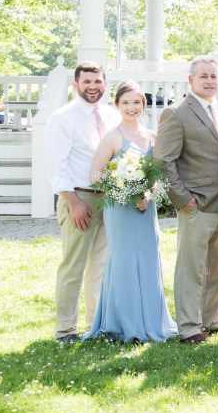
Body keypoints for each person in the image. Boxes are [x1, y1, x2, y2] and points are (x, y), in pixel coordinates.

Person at [83, 81, 176, 342]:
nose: (131, 107)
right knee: (123, 261)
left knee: (148, 260)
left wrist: (147, 194)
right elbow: (96, 175)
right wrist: (124, 189)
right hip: (120, 209)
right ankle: (122, 323)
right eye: (125, 103)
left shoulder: (153, 137)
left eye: (136, 102)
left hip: (145, 211)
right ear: (117, 105)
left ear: (143, 105)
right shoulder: (112, 137)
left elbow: (159, 175)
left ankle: (151, 322)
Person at [155, 56, 218, 344]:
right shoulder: (176, 113)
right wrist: (182, 199)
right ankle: (189, 327)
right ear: (191, 80)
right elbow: (163, 161)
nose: (210, 81)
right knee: (191, 269)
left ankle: (212, 320)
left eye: (214, 76)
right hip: (196, 204)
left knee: (217, 269)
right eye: (204, 76)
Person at [46, 62, 119, 341]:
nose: (92, 86)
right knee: (73, 265)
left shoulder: (112, 115)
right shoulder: (63, 117)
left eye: (97, 81)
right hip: (79, 197)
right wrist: (73, 202)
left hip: (109, 201)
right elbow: (57, 165)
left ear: (105, 84)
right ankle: (66, 329)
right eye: (86, 82)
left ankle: (95, 325)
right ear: (75, 85)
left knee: (101, 266)